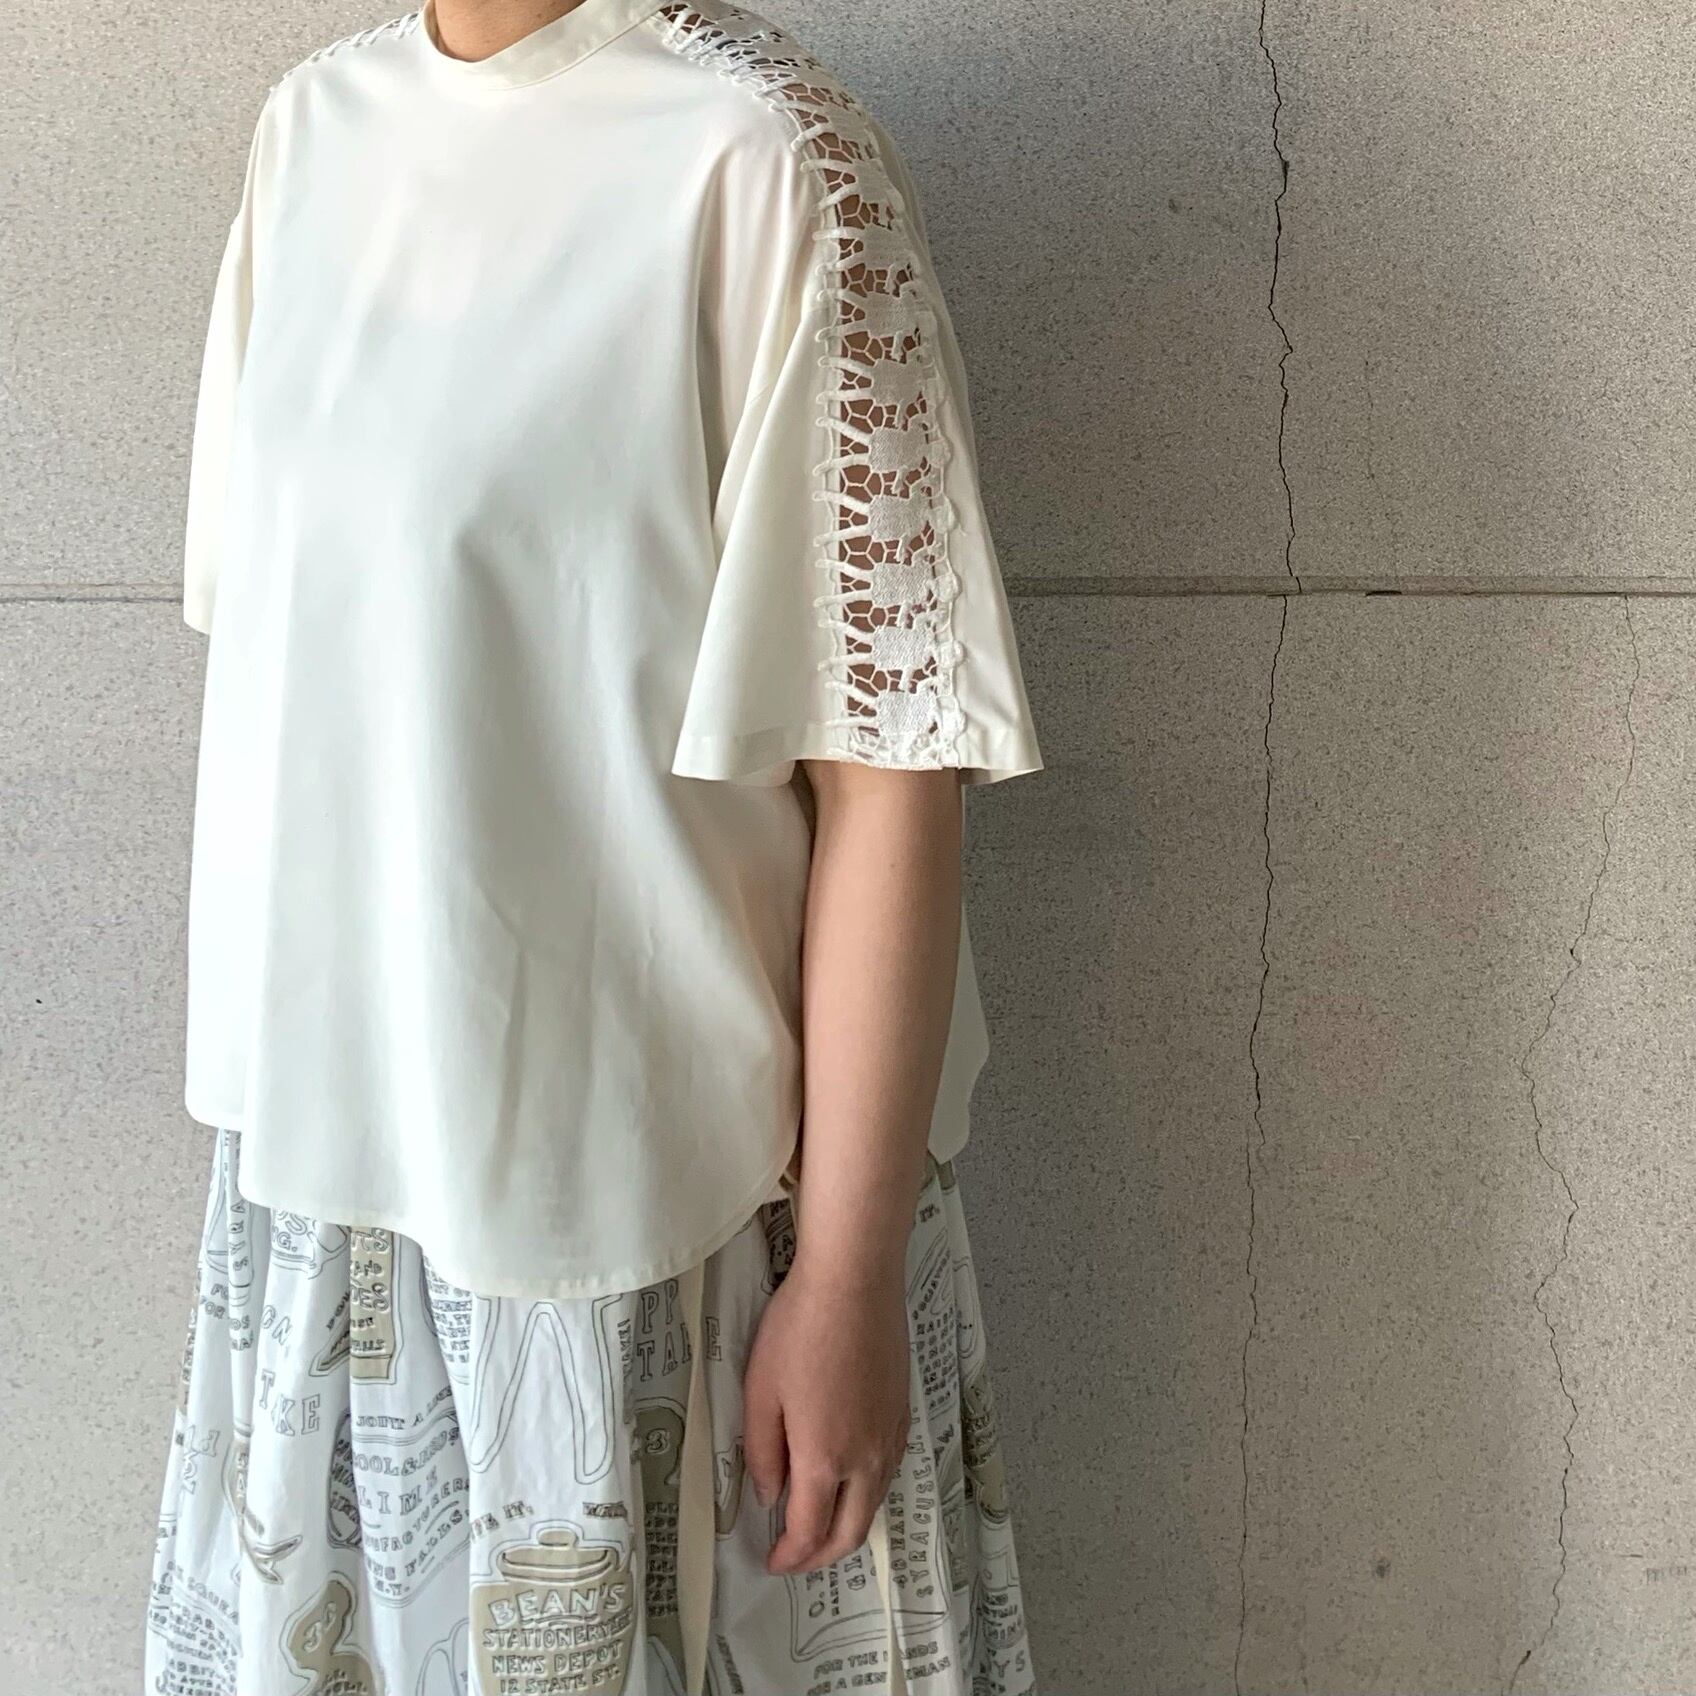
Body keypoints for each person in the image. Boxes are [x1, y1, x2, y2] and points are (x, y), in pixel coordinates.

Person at [142, 0, 1044, 1690]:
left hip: (656, 1239)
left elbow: (889, 772)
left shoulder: (768, 160)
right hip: (340, 1192)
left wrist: (846, 1275)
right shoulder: (311, 136)